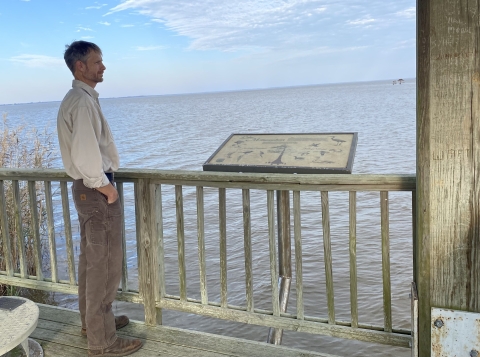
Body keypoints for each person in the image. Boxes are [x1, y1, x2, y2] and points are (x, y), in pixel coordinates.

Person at [57, 41, 143, 357]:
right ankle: (102, 341)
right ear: (81, 66)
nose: (103, 67)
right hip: (96, 190)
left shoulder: (79, 99)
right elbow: (86, 153)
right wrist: (105, 187)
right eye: (97, 61)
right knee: (104, 265)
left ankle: (92, 324)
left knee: (91, 262)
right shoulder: (80, 102)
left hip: (87, 189)